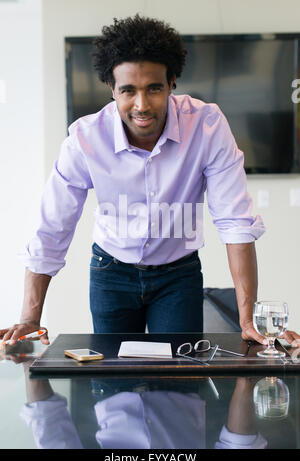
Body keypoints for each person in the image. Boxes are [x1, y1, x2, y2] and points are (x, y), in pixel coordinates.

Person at [1, 14, 299, 346]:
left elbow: (235, 222)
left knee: (180, 383)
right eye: (128, 90)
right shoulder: (85, 139)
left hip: (178, 274)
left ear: (172, 83)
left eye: (154, 88)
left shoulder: (207, 125)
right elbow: (53, 227)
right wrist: (30, 318)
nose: (142, 105)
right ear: (112, 89)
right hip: (110, 272)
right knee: (113, 387)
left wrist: (246, 319)